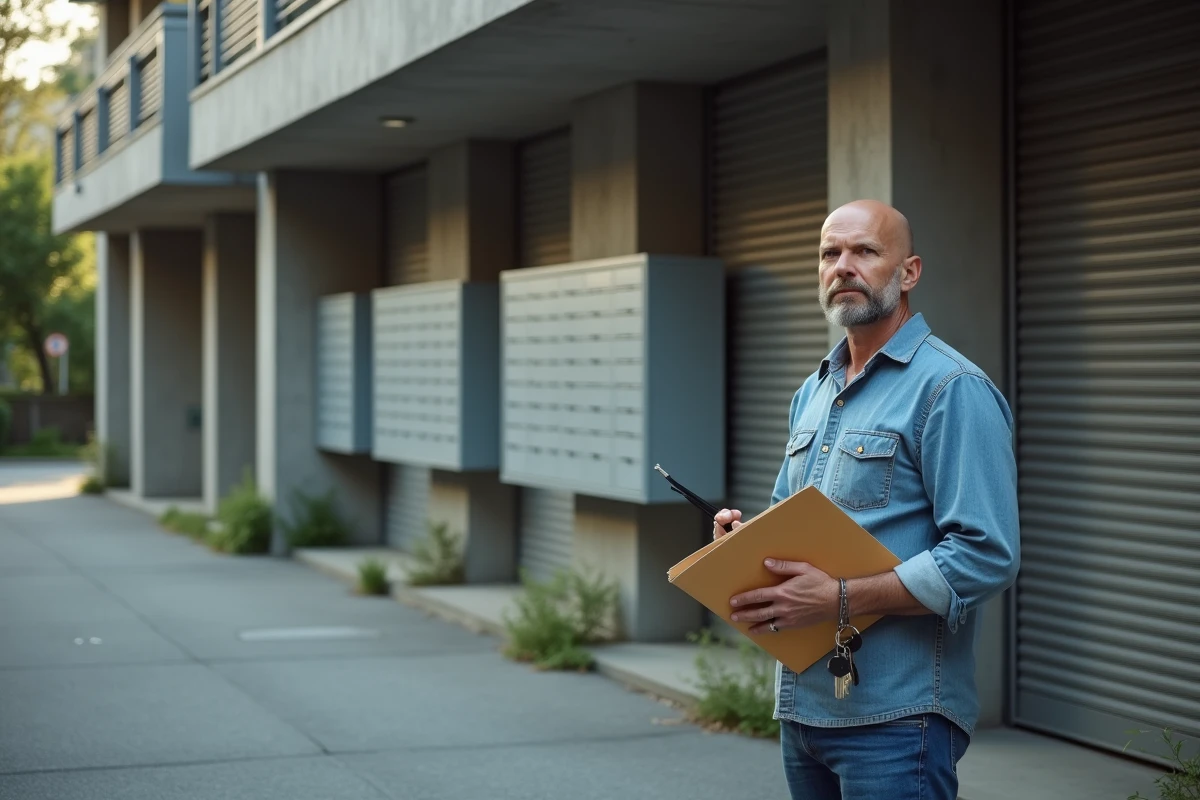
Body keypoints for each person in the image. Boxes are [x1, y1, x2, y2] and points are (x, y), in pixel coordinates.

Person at [712, 199, 1019, 800]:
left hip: (899, 719)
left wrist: (840, 598)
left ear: (909, 272)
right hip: (804, 711)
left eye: (865, 251)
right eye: (830, 253)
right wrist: (743, 544)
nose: (843, 266)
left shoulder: (952, 389)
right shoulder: (814, 390)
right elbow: (792, 525)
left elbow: (986, 554)